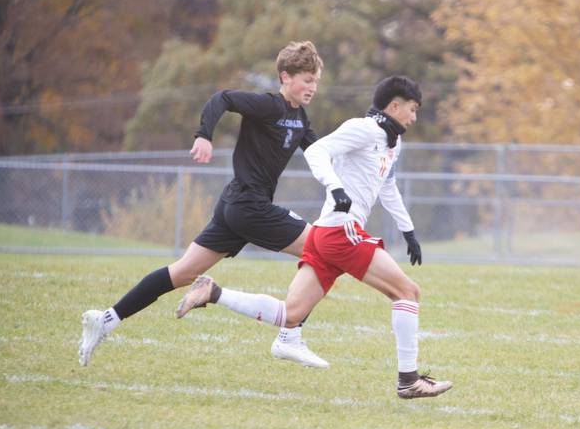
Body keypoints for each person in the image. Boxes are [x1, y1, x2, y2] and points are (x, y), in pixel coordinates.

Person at [175, 75, 452, 400]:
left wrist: (408, 230)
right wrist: (335, 188)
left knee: (290, 315)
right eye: (412, 109)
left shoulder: (393, 141)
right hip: (340, 231)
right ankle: (409, 380)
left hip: (324, 233)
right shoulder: (364, 128)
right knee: (408, 292)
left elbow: (387, 186)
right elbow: (317, 151)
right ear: (394, 106)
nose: (414, 118)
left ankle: (213, 292)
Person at [79, 41, 331, 368]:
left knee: (182, 272)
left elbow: (320, 152)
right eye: (306, 80)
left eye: (315, 81)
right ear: (285, 76)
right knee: (323, 249)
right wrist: (204, 134)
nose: (312, 87)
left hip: (236, 206)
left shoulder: (300, 117)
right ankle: (289, 338)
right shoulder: (268, 106)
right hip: (247, 205)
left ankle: (106, 319)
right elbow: (222, 98)